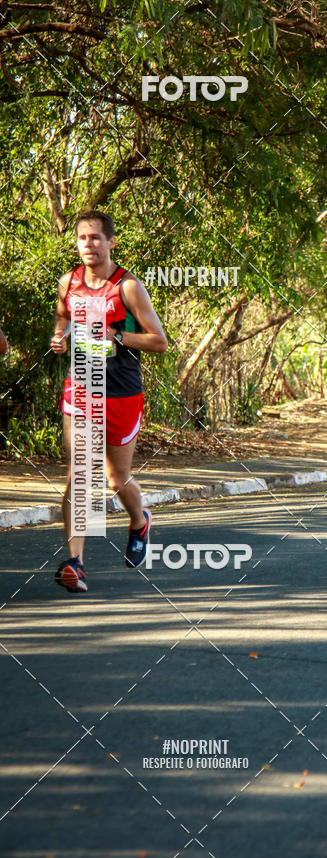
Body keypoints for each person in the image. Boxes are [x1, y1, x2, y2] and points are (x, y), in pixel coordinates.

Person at [50, 210, 168, 592]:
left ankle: (139, 520)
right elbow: (63, 318)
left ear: (111, 242)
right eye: (83, 238)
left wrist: (117, 336)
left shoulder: (128, 287)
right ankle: (76, 564)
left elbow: (159, 341)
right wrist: (60, 337)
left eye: (96, 238)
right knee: (79, 475)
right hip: (81, 388)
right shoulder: (68, 283)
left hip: (121, 393)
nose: (89, 244)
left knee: (117, 479)